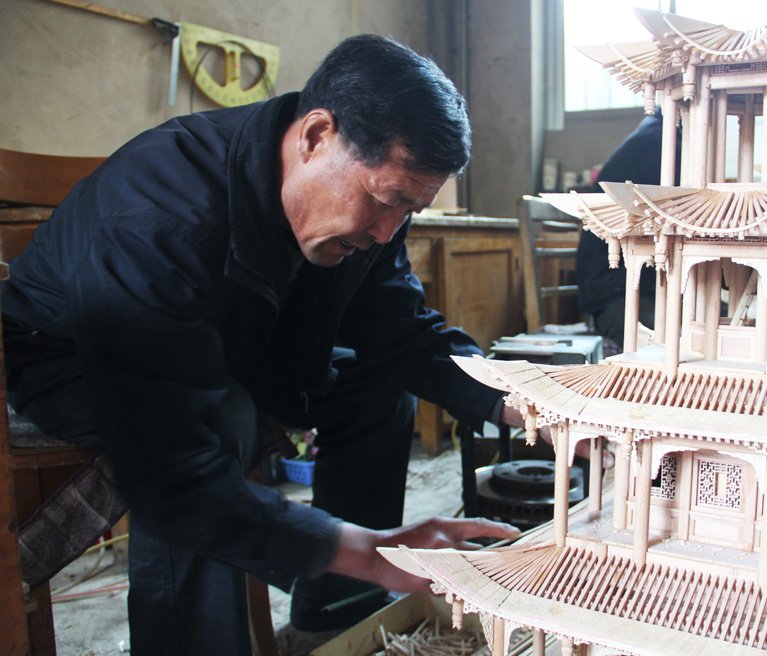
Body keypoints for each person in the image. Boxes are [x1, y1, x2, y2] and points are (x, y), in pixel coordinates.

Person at [2, 34, 521, 654]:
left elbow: (400, 330)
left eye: (409, 210)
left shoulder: (366, 216)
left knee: (379, 391)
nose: (388, 232)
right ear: (316, 136)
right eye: (386, 201)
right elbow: (169, 466)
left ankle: (337, 616)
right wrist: (365, 549)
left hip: (230, 342)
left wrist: (522, 404)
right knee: (220, 421)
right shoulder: (159, 215)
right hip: (66, 355)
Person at [575, 109, 675, 351]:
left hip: (635, 284)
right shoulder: (661, 142)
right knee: (670, 346)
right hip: (617, 291)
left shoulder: (658, 133)